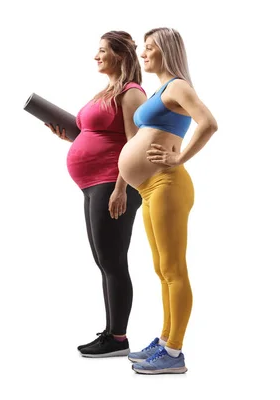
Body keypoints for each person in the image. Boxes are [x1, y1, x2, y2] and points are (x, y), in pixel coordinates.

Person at [118, 27, 218, 374]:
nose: (143, 54)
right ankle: (164, 340)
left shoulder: (177, 85)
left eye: (150, 48)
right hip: (150, 188)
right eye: (143, 48)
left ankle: (174, 353)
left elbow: (209, 123)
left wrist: (180, 157)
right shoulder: (160, 90)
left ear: (167, 51)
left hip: (168, 184)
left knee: (174, 270)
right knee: (162, 270)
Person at [46, 31, 147, 357]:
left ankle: (118, 338)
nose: (96, 56)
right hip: (93, 184)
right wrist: (71, 139)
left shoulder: (132, 93)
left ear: (119, 55)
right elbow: (98, 134)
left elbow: (135, 146)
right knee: (104, 261)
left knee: (113, 262)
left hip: (112, 184)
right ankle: (110, 331)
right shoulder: (107, 90)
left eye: (102, 51)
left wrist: (121, 188)